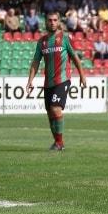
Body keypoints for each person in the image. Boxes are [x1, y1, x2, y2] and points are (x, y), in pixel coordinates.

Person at [26, 11, 87, 151]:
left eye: (55, 20)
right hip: (48, 83)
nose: (52, 22)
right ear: (46, 22)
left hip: (63, 80)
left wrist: (82, 76)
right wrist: (30, 81)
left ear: (59, 22)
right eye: (49, 20)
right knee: (49, 113)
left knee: (55, 108)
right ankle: (58, 143)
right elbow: (35, 61)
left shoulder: (65, 38)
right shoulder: (42, 42)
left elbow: (75, 58)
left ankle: (59, 143)